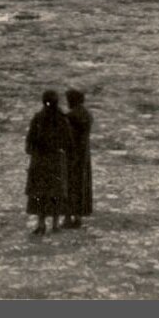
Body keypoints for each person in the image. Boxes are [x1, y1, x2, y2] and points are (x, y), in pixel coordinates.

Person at [25, 90, 71, 235]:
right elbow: (68, 141)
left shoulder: (38, 118)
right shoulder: (62, 119)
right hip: (56, 161)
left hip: (40, 160)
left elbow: (30, 141)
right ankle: (56, 224)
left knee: (40, 192)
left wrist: (33, 151)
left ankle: (41, 223)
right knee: (56, 192)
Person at [63, 89, 94, 229]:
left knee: (69, 185)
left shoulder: (70, 116)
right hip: (84, 155)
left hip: (71, 155)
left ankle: (68, 217)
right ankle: (78, 216)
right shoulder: (87, 115)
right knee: (82, 184)